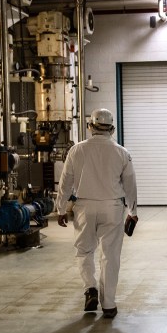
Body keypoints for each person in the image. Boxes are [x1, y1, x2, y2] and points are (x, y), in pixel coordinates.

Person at [56, 108, 138, 319]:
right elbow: (130, 185)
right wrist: (133, 211)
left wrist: (61, 208)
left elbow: (65, 182)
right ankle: (108, 305)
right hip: (112, 208)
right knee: (110, 256)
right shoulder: (122, 152)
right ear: (112, 128)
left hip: (84, 207)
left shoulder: (76, 150)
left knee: (84, 251)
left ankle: (90, 288)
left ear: (90, 127)